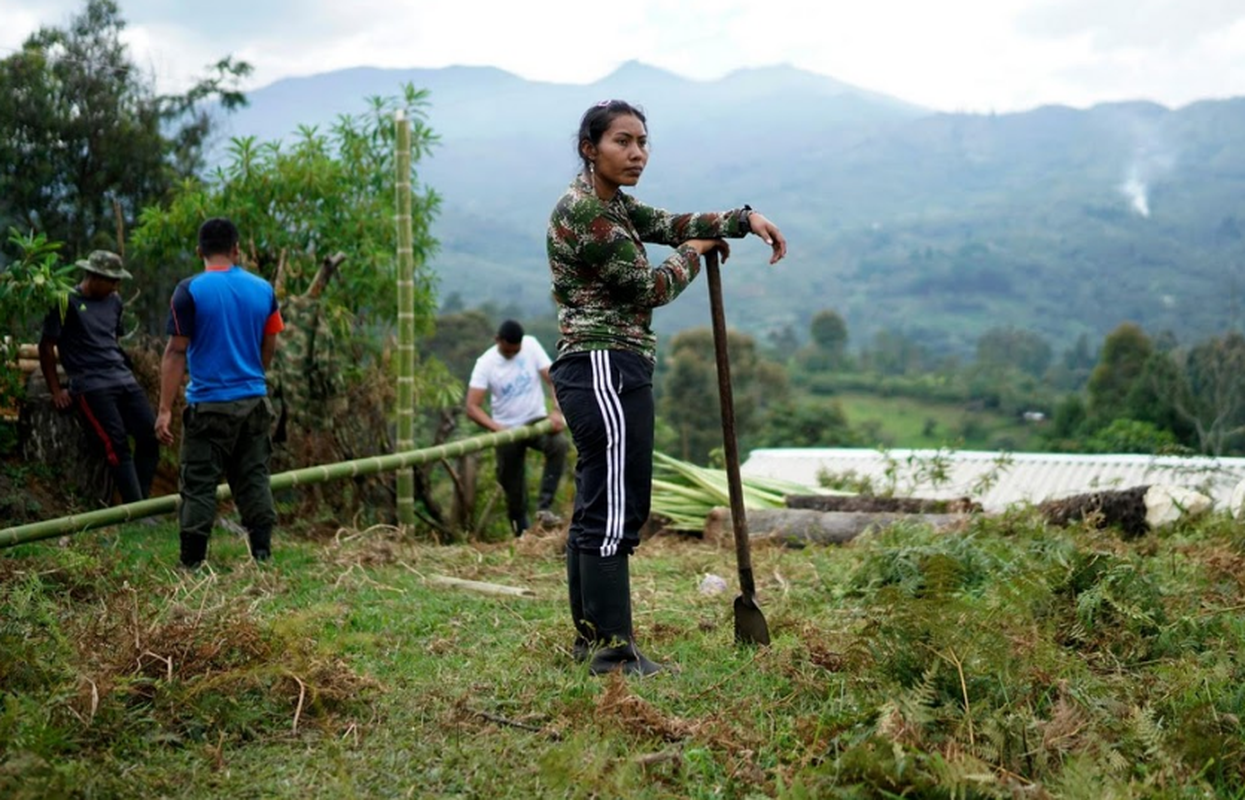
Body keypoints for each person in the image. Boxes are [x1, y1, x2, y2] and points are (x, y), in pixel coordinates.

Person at [547, 99, 787, 676]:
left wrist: (741, 219)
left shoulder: (616, 206)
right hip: (604, 365)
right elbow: (649, 287)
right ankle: (612, 653)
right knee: (613, 510)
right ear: (590, 149)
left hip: (607, 365)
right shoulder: (586, 216)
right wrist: (694, 254)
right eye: (622, 142)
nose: (636, 154)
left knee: (598, 505)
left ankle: (591, 644)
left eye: (642, 142)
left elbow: (672, 224)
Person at [155, 218, 285, 569]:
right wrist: (253, 375)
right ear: (236, 249)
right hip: (254, 402)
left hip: (209, 405)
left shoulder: (190, 291)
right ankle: (262, 555)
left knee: (198, 484)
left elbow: (176, 351)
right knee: (254, 477)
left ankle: (193, 564)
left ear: (199, 251)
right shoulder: (263, 290)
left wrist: (165, 409)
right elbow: (269, 341)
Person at [37, 250, 159, 504]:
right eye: (112, 280)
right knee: (116, 444)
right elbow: (46, 346)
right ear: (93, 276)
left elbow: (112, 339)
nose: (116, 286)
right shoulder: (64, 300)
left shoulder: (114, 301)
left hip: (123, 378)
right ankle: (134, 510)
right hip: (91, 384)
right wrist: (56, 390)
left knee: (150, 436)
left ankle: (143, 505)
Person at [465, 319, 568, 537]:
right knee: (512, 486)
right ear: (498, 341)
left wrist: (557, 411)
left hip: (536, 420)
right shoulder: (485, 363)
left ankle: (545, 507)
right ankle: (522, 534)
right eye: (508, 351)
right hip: (507, 428)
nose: (513, 354)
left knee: (558, 445)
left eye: (516, 351)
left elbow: (553, 379)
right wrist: (497, 428)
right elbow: (472, 407)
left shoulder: (530, 345)